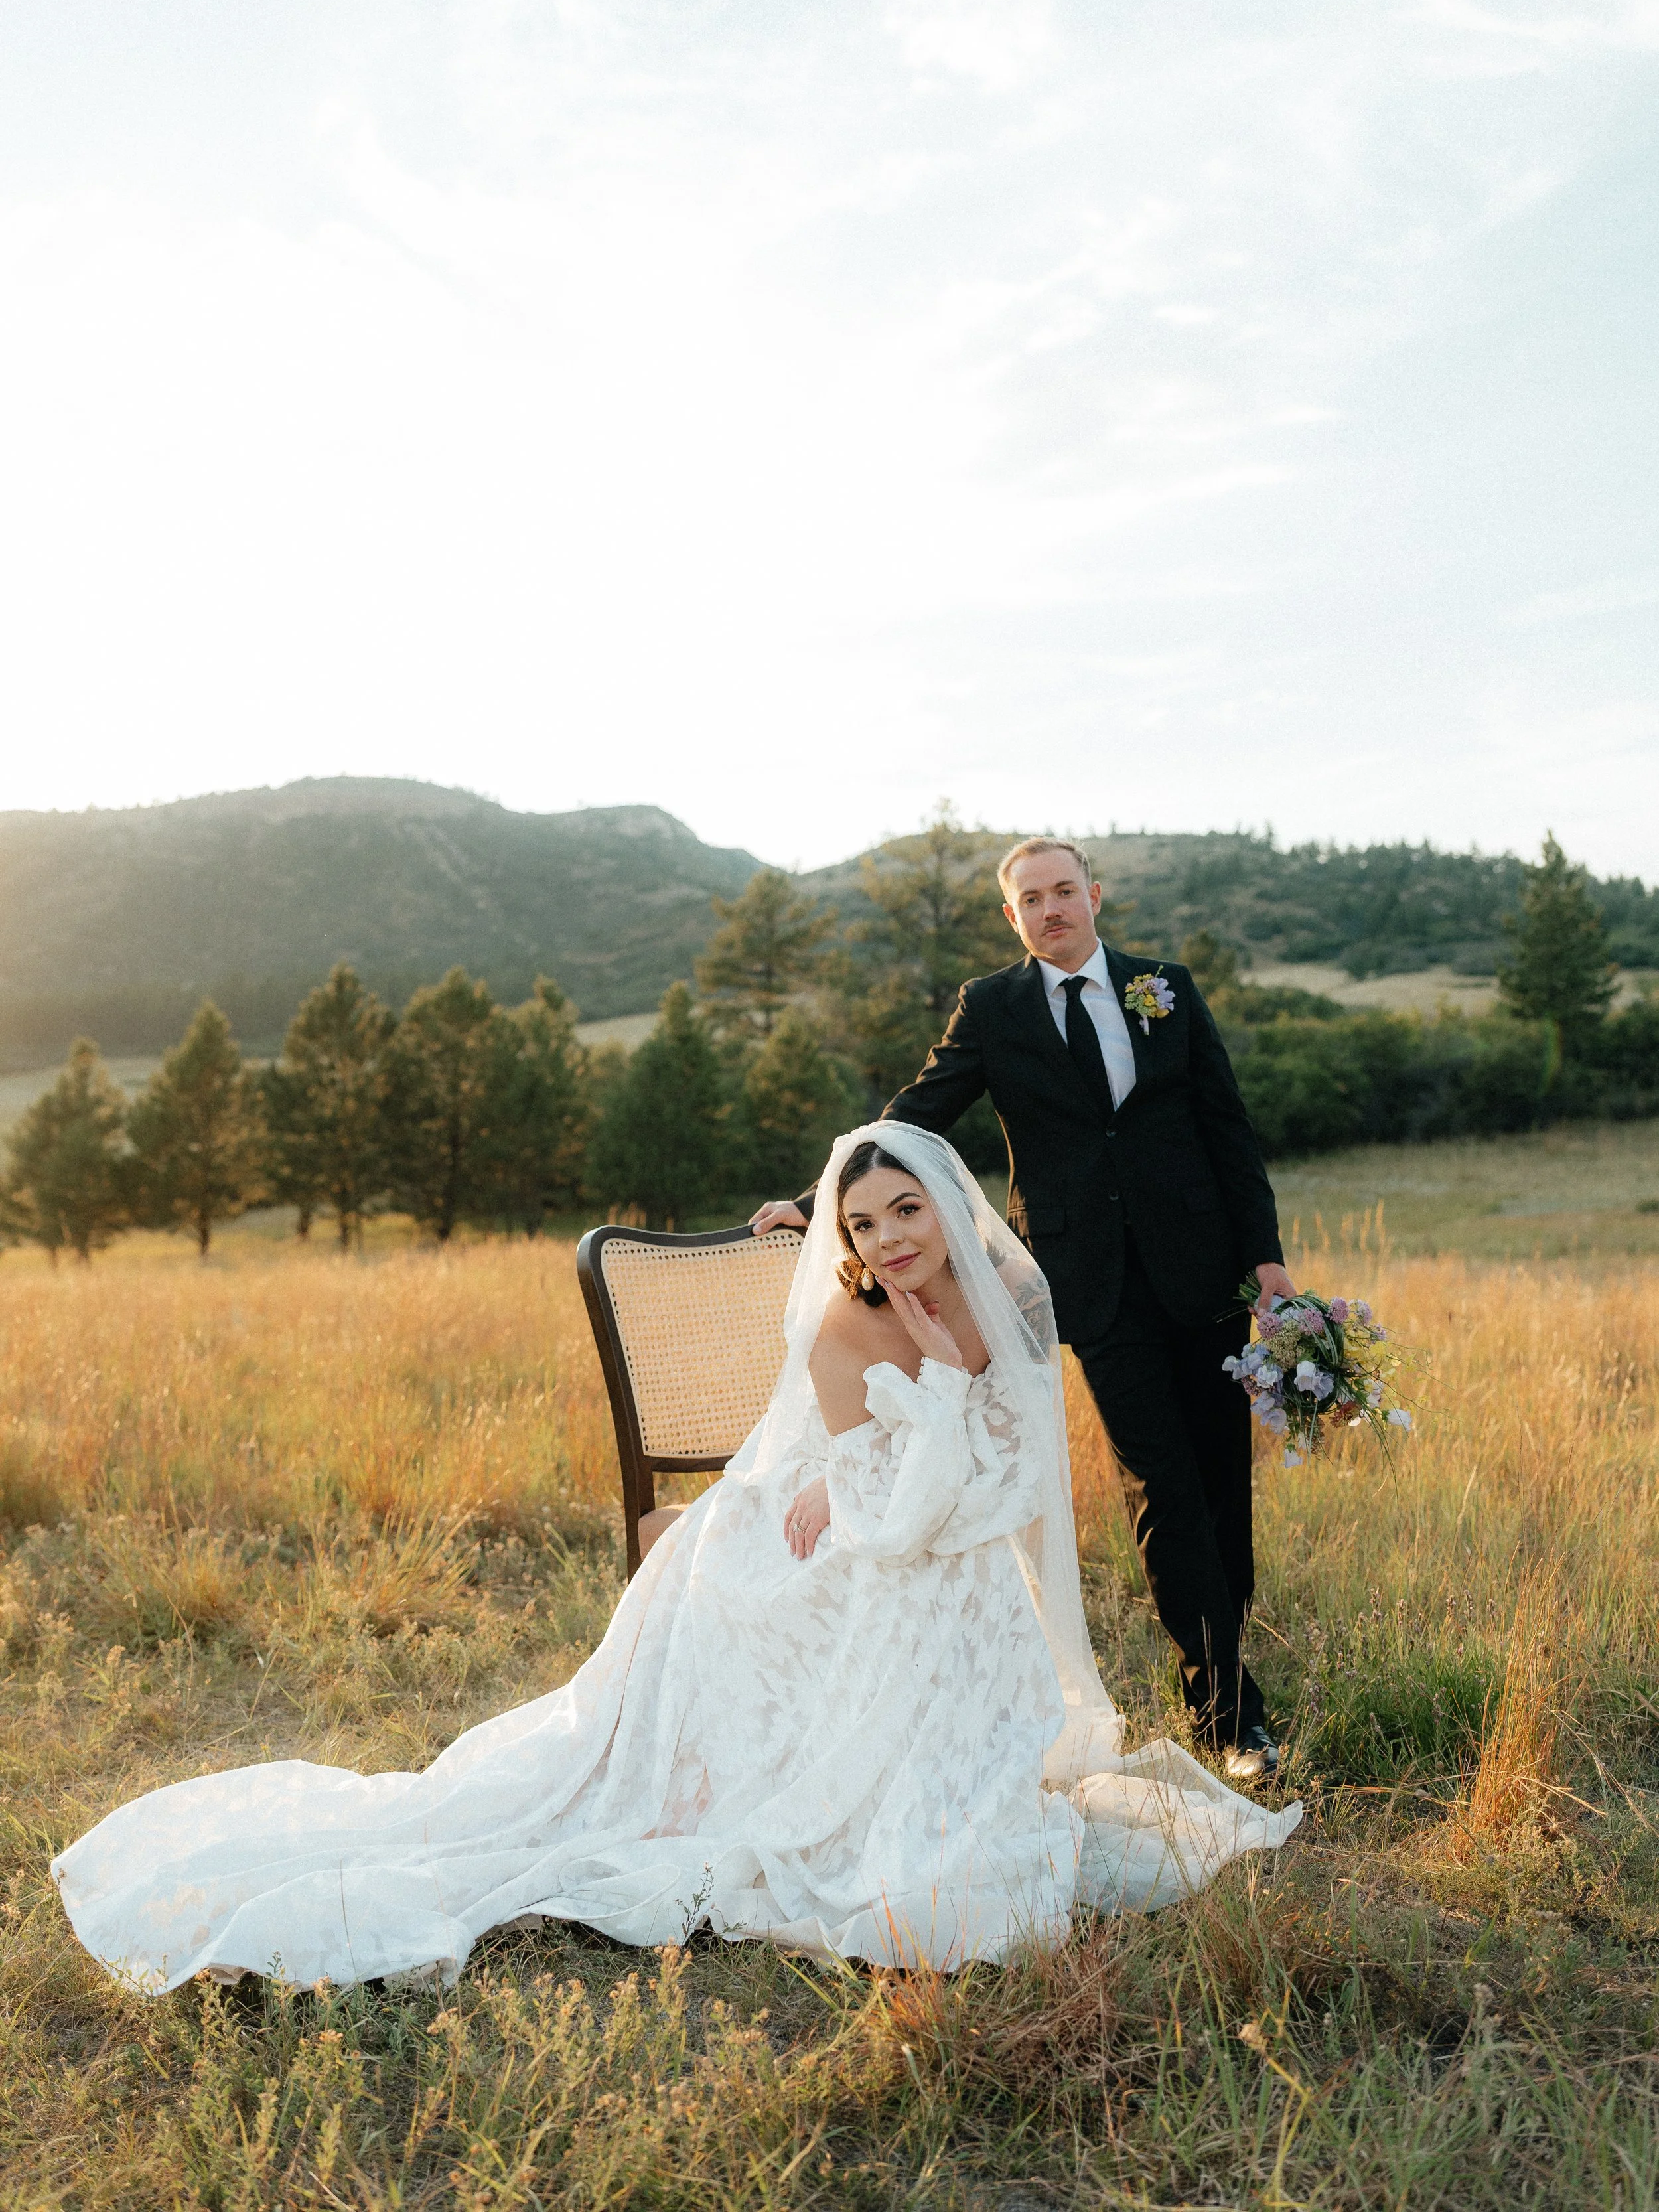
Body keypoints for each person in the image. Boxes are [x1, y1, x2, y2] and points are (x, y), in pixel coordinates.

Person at [55, 1124, 1297, 1995]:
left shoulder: (1010, 1304)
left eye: (908, 1209)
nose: (891, 1237)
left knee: (968, 1671)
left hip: (910, 1529)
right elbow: (890, 1518)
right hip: (811, 1541)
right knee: (870, 1679)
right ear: (842, 1233)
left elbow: (1019, 1485)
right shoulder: (845, 1323)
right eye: (864, 1221)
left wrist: (962, 1386)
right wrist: (929, 1412)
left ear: (949, 1205)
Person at [754, 838, 1293, 1784]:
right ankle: (1228, 1716)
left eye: (1063, 891)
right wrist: (820, 1196)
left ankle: (1229, 1667)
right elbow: (917, 1112)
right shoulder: (994, 1008)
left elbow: (1227, 1128)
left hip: (1204, 1273)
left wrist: (1267, 1261)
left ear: (1095, 894)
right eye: (1029, 899)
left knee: (1220, 1484)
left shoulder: (1165, 987)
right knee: (1161, 1483)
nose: (1050, 909)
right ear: (1013, 916)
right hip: (1090, 1280)